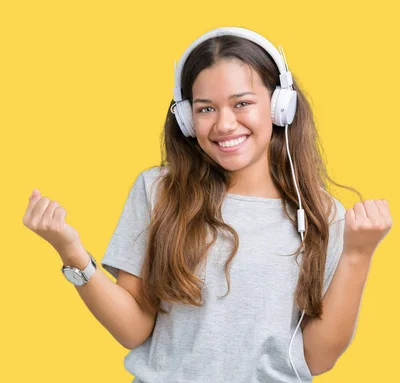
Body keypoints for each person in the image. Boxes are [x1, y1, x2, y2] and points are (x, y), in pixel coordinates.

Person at [22, 26, 392, 383]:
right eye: (205, 109)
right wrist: (71, 252)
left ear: (281, 106)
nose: (224, 124)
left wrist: (358, 254)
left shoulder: (321, 215)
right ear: (186, 118)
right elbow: (134, 330)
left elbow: (319, 358)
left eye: (242, 103)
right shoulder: (159, 191)